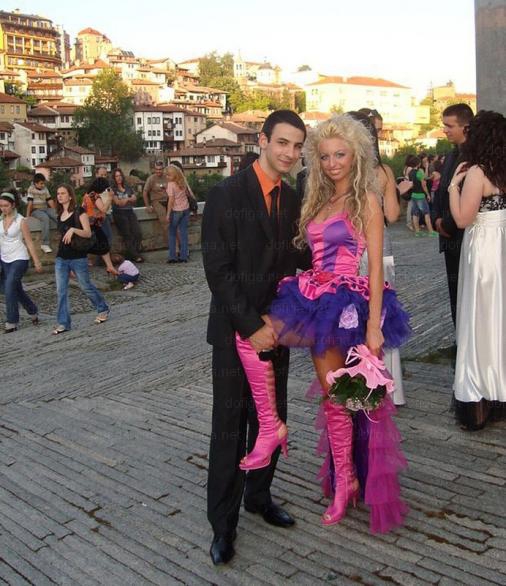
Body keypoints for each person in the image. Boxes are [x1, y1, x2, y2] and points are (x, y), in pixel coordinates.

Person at [268, 114, 410, 529]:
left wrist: (373, 326)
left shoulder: (365, 199)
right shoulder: (317, 199)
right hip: (314, 301)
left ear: (356, 155)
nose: (332, 163)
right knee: (334, 396)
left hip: (349, 306)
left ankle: (354, 478)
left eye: (340, 155)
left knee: (355, 398)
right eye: (325, 156)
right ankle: (345, 479)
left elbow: (376, 269)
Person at [202, 110, 308, 566]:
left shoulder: (294, 198)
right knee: (229, 429)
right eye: (282, 142)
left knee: (272, 419)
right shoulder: (225, 194)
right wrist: (252, 326)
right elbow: (218, 270)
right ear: (262, 140)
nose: (290, 152)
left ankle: (259, 496)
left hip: (277, 331)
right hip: (235, 334)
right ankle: (222, 526)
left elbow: (299, 262)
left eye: (297, 146)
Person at [448, 110, 506, 431]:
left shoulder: (477, 172)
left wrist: (452, 188)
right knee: (500, 318)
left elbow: (461, 219)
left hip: (484, 248)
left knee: (480, 318)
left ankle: (479, 395)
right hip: (502, 246)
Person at [348, 110, 405, 405]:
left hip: (353, 249)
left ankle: (361, 385)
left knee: (356, 317)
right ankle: (389, 387)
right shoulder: (383, 171)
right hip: (382, 249)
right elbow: (392, 215)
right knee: (384, 315)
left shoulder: (345, 171)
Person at [432, 103, 474, 326]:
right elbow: (441, 191)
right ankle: (460, 336)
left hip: (465, 236)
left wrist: (446, 224)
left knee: (468, 294)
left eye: (449, 126)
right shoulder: (450, 155)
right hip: (448, 238)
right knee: (455, 293)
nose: (445, 130)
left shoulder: (474, 157)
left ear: (465, 127)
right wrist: (436, 218)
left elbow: (468, 195)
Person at [53, 184, 109, 334]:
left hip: (77, 257)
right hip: (62, 257)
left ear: (70, 196)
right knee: (61, 291)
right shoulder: (59, 214)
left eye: (63, 193)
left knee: (85, 286)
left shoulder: (79, 211)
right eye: (58, 194)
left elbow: (87, 233)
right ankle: (63, 323)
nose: (60, 196)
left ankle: (102, 308)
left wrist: (73, 229)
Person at [0, 190, 42, 332]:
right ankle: (32, 310)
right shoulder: (0, 221)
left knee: (9, 287)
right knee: (15, 289)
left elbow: (29, 242)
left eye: (6, 205)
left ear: (13, 205)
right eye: (1, 206)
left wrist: (36, 261)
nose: (3, 208)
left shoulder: (21, 221)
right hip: (5, 260)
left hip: (19, 258)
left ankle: (12, 322)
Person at [82, 178, 118, 275]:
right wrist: (110, 198)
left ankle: (109, 266)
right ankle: (108, 266)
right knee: (99, 243)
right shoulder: (95, 196)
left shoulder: (87, 194)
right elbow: (103, 209)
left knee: (101, 242)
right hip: (92, 223)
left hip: (88, 222)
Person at [111, 168, 144, 263]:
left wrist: (126, 200)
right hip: (119, 213)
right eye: (116, 176)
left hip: (129, 211)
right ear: (114, 178)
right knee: (127, 234)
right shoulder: (113, 189)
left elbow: (134, 198)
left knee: (137, 233)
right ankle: (134, 255)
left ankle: (133, 253)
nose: (119, 178)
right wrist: (128, 198)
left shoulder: (127, 187)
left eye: (120, 175)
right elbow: (118, 203)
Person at [26, 173, 57, 253]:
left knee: (56, 215)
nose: (43, 185)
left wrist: (55, 211)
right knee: (45, 218)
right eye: (41, 183)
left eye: (43, 183)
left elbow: (49, 200)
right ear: (35, 183)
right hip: (36, 210)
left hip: (45, 208)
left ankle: (66, 232)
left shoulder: (45, 189)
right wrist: (27, 216)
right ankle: (45, 244)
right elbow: (30, 203)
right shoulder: (31, 189)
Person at [166, 164, 190, 263]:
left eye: (168, 175)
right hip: (186, 209)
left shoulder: (171, 184)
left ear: (174, 175)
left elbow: (171, 200)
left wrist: (168, 214)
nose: (167, 177)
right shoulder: (183, 181)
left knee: (172, 233)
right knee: (183, 233)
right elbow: (187, 194)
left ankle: (172, 257)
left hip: (176, 211)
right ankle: (184, 257)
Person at [408, 157, 437, 236]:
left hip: (413, 195)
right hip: (420, 195)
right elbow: (424, 185)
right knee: (426, 213)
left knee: (415, 214)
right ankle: (431, 231)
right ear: (418, 164)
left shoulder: (410, 173)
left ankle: (417, 231)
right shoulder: (419, 172)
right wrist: (428, 194)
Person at [143, 160, 169, 230]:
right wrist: (147, 206)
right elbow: (145, 192)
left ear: (163, 169)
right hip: (157, 201)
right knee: (165, 222)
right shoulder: (151, 179)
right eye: (157, 169)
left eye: (160, 169)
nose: (158, 171)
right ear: (154, 169)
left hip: (168, 200)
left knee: (174, 220)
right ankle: (169, 237)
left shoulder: (167, 177)